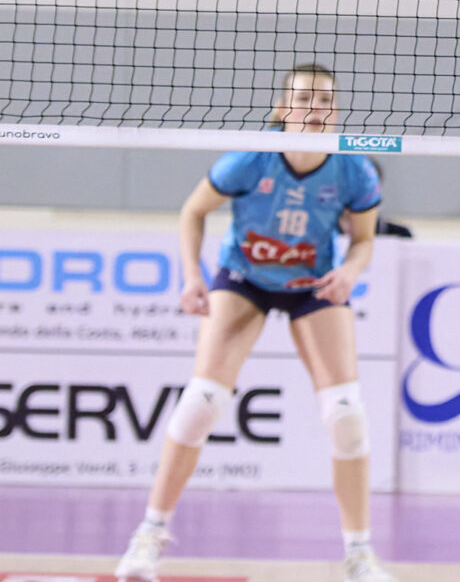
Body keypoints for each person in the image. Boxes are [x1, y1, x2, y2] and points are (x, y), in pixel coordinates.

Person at [114, 65, 391, 582]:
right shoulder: (250, 156)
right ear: (283, 108)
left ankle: (359, 554)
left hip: (311, 285)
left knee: (347, 415)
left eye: (325, 100)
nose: (314, 108)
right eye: (303, 98)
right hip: (244, 279)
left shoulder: (354, 169)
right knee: (201, 403)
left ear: (337, 110)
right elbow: (193, 211)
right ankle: (149, 534)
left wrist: (351, 272)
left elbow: (364, 239)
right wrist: (192, 277)